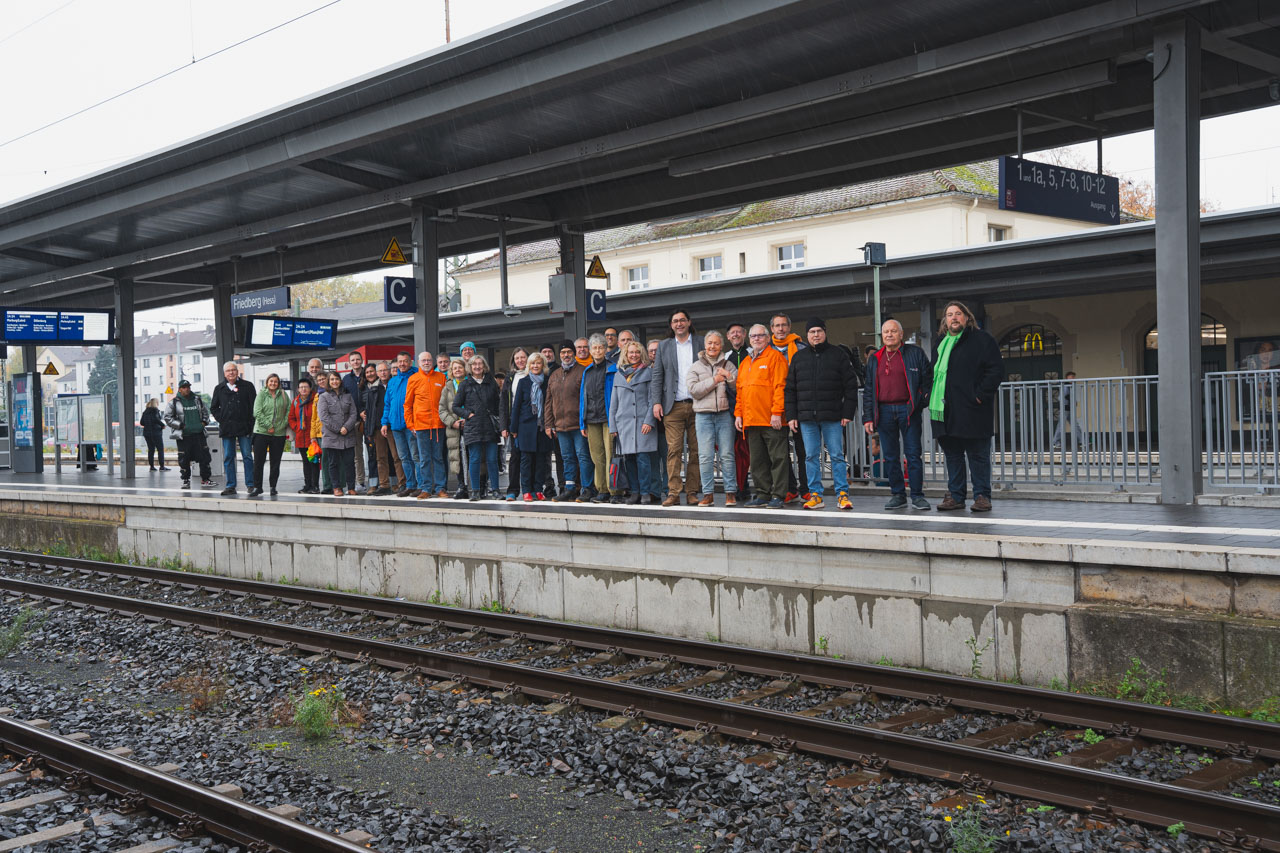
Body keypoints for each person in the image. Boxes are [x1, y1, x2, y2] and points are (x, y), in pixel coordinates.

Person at [929, 301, 1005, 512]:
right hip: (945, 411)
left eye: (958, 313)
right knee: (953, 456)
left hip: (973, 410)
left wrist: (979, 395)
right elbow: (931, 373)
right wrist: (927, 394)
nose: (953, 317)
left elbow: (996, 370)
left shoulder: (982, 339)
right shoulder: (940, 343)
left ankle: (982, 496)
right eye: (949, 314)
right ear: (945, 321)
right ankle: (956, 496)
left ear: (967, 317)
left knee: (978, 455)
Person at [785, 318, 858, 510]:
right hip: (806, 418)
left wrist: (848, 412)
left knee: (837, 456)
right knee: (810, 456)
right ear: (807, 335)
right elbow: (790, 389)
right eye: (812, 332)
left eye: (819, 331)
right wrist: (791, 416)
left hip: (833, 416)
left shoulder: (838, 355)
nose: (815, 335)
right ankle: (815, 495)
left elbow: (851, 385)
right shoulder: (798, 358)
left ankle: (842, 495)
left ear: (825, 332)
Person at [863, 319, 932, 511]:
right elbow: (869, 389)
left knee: (913, 454)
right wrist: (867, 417)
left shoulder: (915, 353)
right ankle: (898, 495)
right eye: (886, 332)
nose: (889, 335)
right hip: (884, 411)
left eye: (893, 331)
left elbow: (927, 379)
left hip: (908, 410)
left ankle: (917, 496)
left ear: (901, 334)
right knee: (890, 456)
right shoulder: (875, 358)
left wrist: (919, 402)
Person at [650, 308, 703, 507]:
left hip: (698, 405)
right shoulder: (664, 346)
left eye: (682, 320)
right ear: (671, 325)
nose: (679, 324)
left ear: (689, 322)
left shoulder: (700, 342)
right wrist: (656, 402)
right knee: (674, 450)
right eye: (675, 321)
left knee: (697, 450)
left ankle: (692, 492)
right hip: (672, 407)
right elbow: (657, 376)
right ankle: (673, 492)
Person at [735, 324, 789, 508]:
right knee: (757, 461)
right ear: (749, 339)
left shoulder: (776, 357)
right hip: (751, 421)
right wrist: (739, 415)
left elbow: (780, 387)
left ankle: (779, 495)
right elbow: (740, 392)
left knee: (778, 459)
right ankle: (763, 494)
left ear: (767, 338)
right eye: (753, 336)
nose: (756, 339)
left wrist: (777, 412)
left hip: (771, 420)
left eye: (760, 335)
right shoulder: (745, 362)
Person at [688, 330, 738, 507]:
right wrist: (715, 380)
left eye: (716, 343)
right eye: (710, 343)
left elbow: (738, 387)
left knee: (727, 455)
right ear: (705, 345)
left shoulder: (728, 364)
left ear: (721, 346)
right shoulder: (695, 366)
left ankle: (730, 493)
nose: (712, 346)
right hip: (703, 416)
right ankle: (708, 494)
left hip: (724, 414)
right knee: (705, 456)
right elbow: (693, 390)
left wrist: (729, 377)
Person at [610, 339, 659, 504]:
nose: (634, 355)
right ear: (626, 354)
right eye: (631, 352)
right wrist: (613, 426)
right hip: (624, 424)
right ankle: (634, 492)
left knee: (643, 459)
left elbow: (652, 399)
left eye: (637, 352)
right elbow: (614, 403)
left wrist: (649, 421)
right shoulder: (618, 375)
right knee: (629, 460)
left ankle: (645, 492)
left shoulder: (648, 372)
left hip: (642, 423)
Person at [545, 340, 590, 502]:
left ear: (574, 353)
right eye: (563, 352)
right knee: (567, 458)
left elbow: (587, 399)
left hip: (578, 425)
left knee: (583, 457)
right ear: (560, 355)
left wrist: (585, 421)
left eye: (569, 352)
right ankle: (569, 488)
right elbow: (548, 401)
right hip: (560, 426)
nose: (566, 355)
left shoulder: (583, 371)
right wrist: (548, 424)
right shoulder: (555, 375)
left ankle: (587, 488)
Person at [453, 354, 502, 501]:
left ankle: (496, 490)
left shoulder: (491, 382)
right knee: (474, 459)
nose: (477, 367)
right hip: (473, 427)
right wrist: (468, 414)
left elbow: (498, 404)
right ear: (470, 367)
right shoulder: (465, 384)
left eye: (480, 364)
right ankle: (475, 491)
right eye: (474, 364)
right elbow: (455, 406)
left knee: (492, 459)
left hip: (490, 426)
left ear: (484, 366)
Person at [770, 313, 807, 503]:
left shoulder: (801, 349)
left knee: (803, 450)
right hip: (775, 407)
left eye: (784, 325)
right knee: (780, 452)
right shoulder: (766, 350)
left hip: (799, 405)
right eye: (777, 325)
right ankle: (790, 488)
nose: (781, 329)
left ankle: (806, 489)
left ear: (789, 327)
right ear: (772, 329)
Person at [510, 352, 554, 500]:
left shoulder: (547, 381)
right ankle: (527, 490)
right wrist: (513, 428)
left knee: (541, 460)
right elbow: (516, 407)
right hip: (525, 427)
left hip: (542, 427)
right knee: (526, 461)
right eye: (533, 363)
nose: (535, 366)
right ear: (529, 365)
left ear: (543, 365)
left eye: (538, 363)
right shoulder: (524, 382)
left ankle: (538, 489)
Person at [579, 333, 617, 503]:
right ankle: (602, 490)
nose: (597, 351)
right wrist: (582, 422)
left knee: (610, 455)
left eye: (601, 347)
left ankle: (614, 491)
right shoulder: (587, 371)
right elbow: (583, 398)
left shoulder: (613, 369)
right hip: (591, 419)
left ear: (605, 349)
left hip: (608, 418)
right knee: (597, 457)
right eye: (594, 348)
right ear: (590, 351)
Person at [405, 351, 448, 499]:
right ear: (418, 363)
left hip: (438, 425)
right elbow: (408, 404)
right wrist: (410, 424)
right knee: (424, 459)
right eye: (423, 360)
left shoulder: (441, 377)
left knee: (438, 458)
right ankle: (426, 488)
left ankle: (440, 488)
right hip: (421, 426)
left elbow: (447, 401)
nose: (426, 363)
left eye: (429, 360)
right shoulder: (413, 379)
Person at [209, 361, 257, 496]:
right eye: (228, 371)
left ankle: (251, 484)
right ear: (224, 373)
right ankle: (230, 486)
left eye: (233, 370)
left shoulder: (248, 386)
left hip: (244, 427)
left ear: (237, 371)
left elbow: (254, 406)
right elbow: (213, 407)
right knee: (229, 457)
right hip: (227, 427)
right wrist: (222, 418)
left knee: (247, 456)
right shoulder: (219, 388)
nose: (231, 372)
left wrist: (251, 423)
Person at [381, 351, 420, 498]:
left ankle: (421, 485)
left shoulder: (416, 378)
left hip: (411, 425)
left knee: (416, 456)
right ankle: (410, 485)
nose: (402, 364)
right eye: (400, 361)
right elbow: (387, 404)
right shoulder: (392, 381)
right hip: (396, 426)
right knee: (404, 457)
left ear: (410, 362)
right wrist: (385, 422)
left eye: (405, 361)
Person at [164, 380, 212, 488]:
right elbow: (167, 418)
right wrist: (181, 426)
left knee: (205, 457)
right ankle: (186, 480)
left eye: (188, 387)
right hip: (183, 436)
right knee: (184, 459)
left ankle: (206, 479)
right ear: (179, 389)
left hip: (199, 434)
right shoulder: (173, 403)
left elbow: (205, 412)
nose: (187, 389)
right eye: (184, 387)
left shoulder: (197, 400)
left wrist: (203, 423)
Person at [250, 373, 290, 496]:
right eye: (271, 381)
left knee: (275, 462)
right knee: (258, 461)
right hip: (261, 432)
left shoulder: (283, 395)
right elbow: (257, 412)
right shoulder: (261, 394)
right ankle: (257, 487)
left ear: (278, 383)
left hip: (279, 434)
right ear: (267, 382)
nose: (273, 383)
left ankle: (273, 487)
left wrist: (281, 425)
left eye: (275, 381)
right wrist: (269, 426)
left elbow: (289, 411)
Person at [319, 371, 358, 496]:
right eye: (332, 379)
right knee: (333, 463)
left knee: (349, 463)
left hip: (348, 435)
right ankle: (336, 487)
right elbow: (324, 417)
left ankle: (351, 487)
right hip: (332, 436)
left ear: (340, 381)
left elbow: (353, 414)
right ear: (328, 382)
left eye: (336, 379)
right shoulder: (323, 397)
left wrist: (346, 427)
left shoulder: (348, 396)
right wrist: (338, 429)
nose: (334, 381)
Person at [725, 322, 752, 502]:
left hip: (753, 408)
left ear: (744, 334)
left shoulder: (753, 353)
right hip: (733, 411)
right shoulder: (725, 358)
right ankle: (741, 486)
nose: (735, 335)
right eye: (732, 333)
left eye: (739, 332)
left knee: (754, 450)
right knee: (737, 451)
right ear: (728, 337)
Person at [366, 361, 401, 495]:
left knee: (397, 456)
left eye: (385, 370)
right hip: (378, 428)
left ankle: (400, 483)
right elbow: (370, 412)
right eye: (380, 371)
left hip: (393, 426)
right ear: (377, 373)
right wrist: (369, 431)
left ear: (390, 371)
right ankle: (384, 484)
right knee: (380, 457)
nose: (383, 373)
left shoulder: (395, 385)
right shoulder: (373, 389)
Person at [499, 348, 530, 500]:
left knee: (530, 457)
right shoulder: (510, 378)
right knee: (515, 457)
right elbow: (504, 403)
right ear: (513, 360)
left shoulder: (533, 374)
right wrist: (504, 426)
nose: (520, 361)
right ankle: (512, 490)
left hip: (530, 422)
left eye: (523, 357)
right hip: (514, 423)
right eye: (517, 358)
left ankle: (529, 490)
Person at [439, 358, 469, 499]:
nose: (457, 370)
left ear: (465, 369)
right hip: (454, 428)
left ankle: (479, 486)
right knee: (457, 458)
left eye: (460, 367)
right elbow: (442, 410)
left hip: (471, 425)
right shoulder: (447, 387)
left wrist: (468, 418)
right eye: (455, 368)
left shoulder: (471, 383)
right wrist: (453, 422)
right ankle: (462, 486)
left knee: (474, 456)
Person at [288, 375, 322, 493]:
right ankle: (307, 485)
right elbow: (291, 417)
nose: (303, 389)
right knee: (305, 462)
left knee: (314, 462)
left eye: (306, 387)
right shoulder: (295, 402)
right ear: (298, 389)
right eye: (301, 387)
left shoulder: (315, 399)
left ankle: (315, 486)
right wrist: (296, 427)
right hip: (300, 436)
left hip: (312, 437)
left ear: (310, 388)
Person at [341, 351, 367, 490]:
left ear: (362, 360)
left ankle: (378, 481)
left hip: (368, 419)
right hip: (354, 421)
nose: (355, 362)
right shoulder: (346, 379)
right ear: (349, 363)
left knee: (375, 452)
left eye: (358, 359)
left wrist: (366, 411)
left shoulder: (368, 375)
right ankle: (360, 481)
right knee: (357, 454)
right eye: (353, 360)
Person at [646, 337, 669, 498]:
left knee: (668, 459)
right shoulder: (645, 371)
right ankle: (655, 491)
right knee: (653, 460)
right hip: (650, 423)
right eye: (651, 350)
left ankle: (668, 489)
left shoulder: (669, 369)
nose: (654, 353)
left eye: (657, 350)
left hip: (666, 422)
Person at [358, 363, 381, 489]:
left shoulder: (382, 386)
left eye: (372, 371)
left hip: (380, 425)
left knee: (384, 456)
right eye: (367, 372)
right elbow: (359, 404)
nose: (370, 374)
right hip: (368, 426)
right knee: (371, 455)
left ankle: (388, 482)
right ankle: (373, 484)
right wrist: (361, 412)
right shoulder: (362, 388)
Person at [1050, 371, 1084, 451]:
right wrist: (1071, 401)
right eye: (1071, 377)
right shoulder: (1065, 385)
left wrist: (1073, 401)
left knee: (1075, 425)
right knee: (1061, 426)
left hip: (1069, 408)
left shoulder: (1070, 385)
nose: (1072, 378)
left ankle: (1082, 441)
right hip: (1065, 408)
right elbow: (1061, 397)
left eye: (1073, 377)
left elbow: (1068, 396)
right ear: (1067, 377)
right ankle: (1055, 442)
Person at [139, 399, 168, 471]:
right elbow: (156, 419)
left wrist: (148, 423)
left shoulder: (145, 412)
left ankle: (152, 467)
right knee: (160, 449)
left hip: (147, 433)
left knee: (151, 450)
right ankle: (162, 467)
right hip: (156, 433)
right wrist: (163, 425)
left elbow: (142, 423)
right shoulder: (155, 410)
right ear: (156, 403)